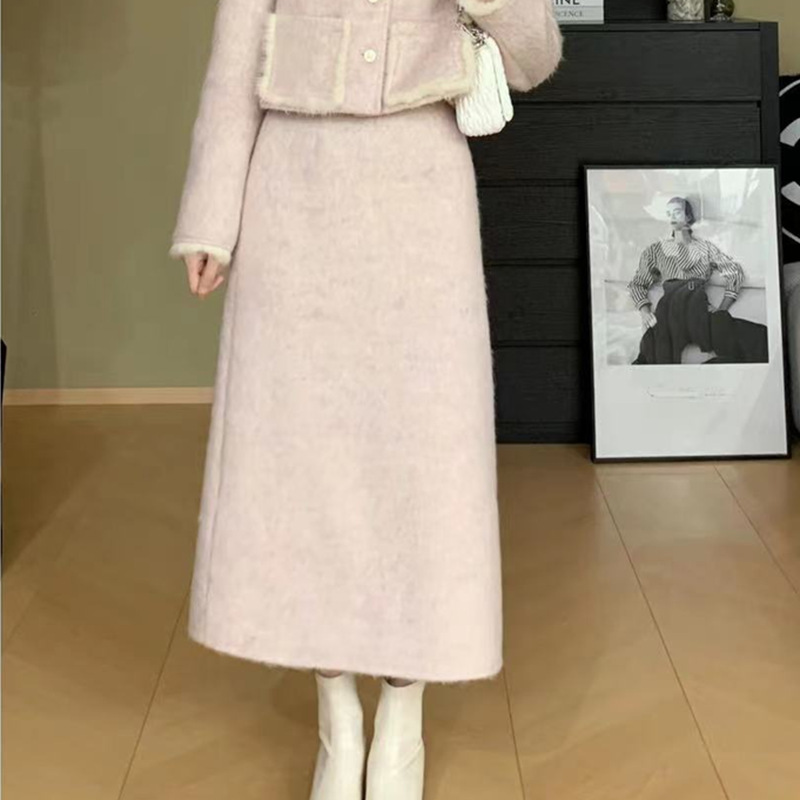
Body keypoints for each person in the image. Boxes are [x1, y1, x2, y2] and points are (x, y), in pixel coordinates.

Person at [167, 0, 563, 798]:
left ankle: (403, 725)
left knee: (417, 476)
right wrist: (210, 218)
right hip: (292, 201)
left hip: (420, 200)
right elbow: (233, 66)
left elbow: (536, 55)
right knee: (306, 473)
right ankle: (337, 724)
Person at [627, 196, 749, 364]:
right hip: (669, 307)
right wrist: (645, 312)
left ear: (688, 217)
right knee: (654, 348)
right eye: (669, 213)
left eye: (677, 212)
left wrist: (722, 309)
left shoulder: (705, 248)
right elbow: (637, 284)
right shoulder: (655, 250)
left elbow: (735, 272)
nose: (672, 217)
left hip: (697, 306)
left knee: (739, 337)